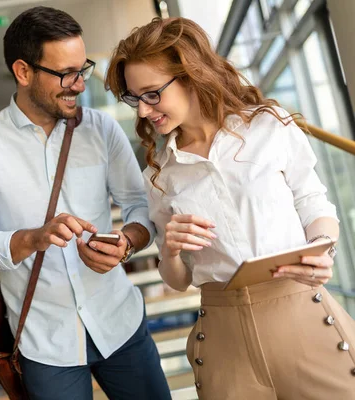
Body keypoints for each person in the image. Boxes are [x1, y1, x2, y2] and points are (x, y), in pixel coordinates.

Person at [105, 17, 355, 400]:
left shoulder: (270, 127)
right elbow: (178, 279)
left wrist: (322, 246)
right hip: (224, 338)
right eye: (134, 99)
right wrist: (171, 249)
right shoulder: (159, 176)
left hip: (303, 314)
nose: (142, 111)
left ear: (190, 74)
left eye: (152, 94)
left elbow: (313, 202)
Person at [0, 6, 171, 400]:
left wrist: (127, 244)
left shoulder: (101, 129)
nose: (80, 85)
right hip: (44, 343)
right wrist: (33, 238)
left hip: (119, 324)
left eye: (81, 69)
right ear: (23, 72)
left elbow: (140, 205)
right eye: (66, 74)